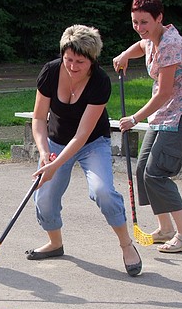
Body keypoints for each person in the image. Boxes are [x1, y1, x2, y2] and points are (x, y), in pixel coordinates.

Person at [27, 24, 142, 277]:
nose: (72, 66)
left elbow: (81, 136)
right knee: (44, 197)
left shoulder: (100, 82)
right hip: (56, 141)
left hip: (91, 143)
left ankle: (126, 245)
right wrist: (44, 153)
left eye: (80, 62)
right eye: (68, 59)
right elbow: (39, 118)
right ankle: (55, 243)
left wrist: (55, 165)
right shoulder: (50, 72)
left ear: (92, 60)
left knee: (103, 192)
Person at [112, 0, 182, 253]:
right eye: (135, 22)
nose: (139, 27)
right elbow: (142, 46)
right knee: (143, 169)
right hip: (164, 115)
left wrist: (134, 118)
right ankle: (165, 229)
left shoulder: (170, 44)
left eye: (144, 22)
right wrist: (125, 54)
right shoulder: (153, 38)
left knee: (157, 173)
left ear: (159, 18)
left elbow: (164, 92)